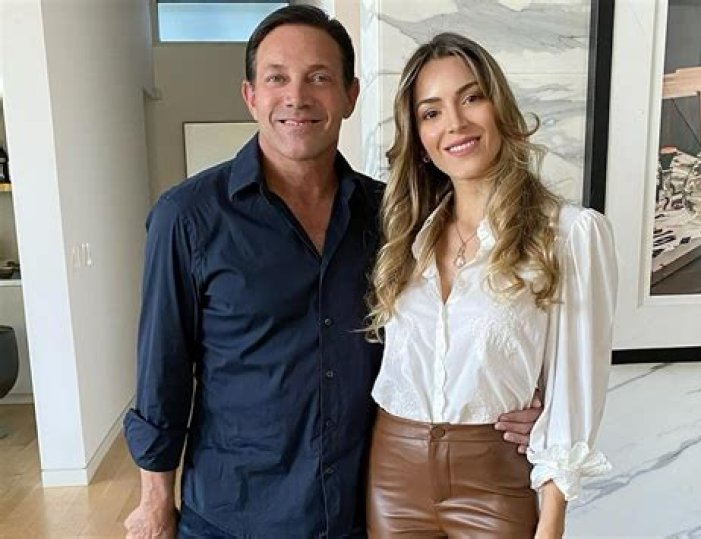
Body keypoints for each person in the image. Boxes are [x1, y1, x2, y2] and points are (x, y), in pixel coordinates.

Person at [122, 8, 540, 539]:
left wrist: (534, 402)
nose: (296, 97)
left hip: (362, 512)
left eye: (319, 77)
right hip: (234, 517)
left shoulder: (396, 217)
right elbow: (162, 370)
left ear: (350, 95)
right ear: (251, 96)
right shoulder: (187, 217)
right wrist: (154, 502)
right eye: (277, 78)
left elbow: (452, 329)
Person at [365, 32, 618, 538]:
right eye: (431, 112)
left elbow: (575, 387)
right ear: (419, 140)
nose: (455, 124)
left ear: (500, 107)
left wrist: (552, 520)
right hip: (393, 473)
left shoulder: (567, 234)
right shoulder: (404, 237)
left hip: (495, 480)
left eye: (471, 98)